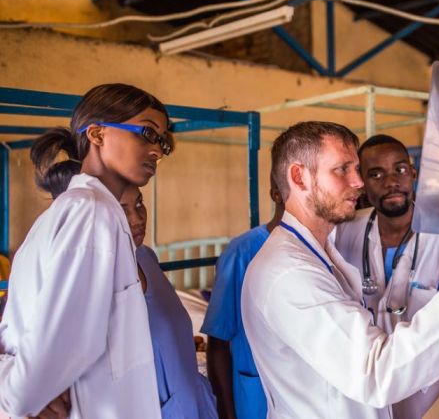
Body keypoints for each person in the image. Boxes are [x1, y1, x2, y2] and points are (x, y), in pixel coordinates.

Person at [241, 121, 439, 419]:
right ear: (299, 177)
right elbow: (375, 373)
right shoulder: (289, 274)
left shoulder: (318, 252)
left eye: (356, 170)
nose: (358, 182)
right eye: (342, 169)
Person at [0, 83, 170, 417]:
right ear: (97, 133)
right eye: (147, 133)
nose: (157, 151)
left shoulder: (81, 209)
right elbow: (59, 348)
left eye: (162, 141)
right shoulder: (92, 212)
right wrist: (17, 393)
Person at [334, 134, 439, 419]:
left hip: (430, 398)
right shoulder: (343, 232)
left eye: (400, 170)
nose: (392, 181)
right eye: (376, 174)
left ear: (414, 173)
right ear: (363, 184)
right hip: (361, 393)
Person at [120, 184, 218, 418]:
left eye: (139, 203)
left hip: (193, 400)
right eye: (123, 209)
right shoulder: (107, 273)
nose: (137, 218)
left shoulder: (145, 256)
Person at [202, 179, 284, 419]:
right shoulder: (242, 252)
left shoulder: (328, 247)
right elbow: (217, 343)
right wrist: (227, 414)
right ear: (276, 193)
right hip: (256, 396)